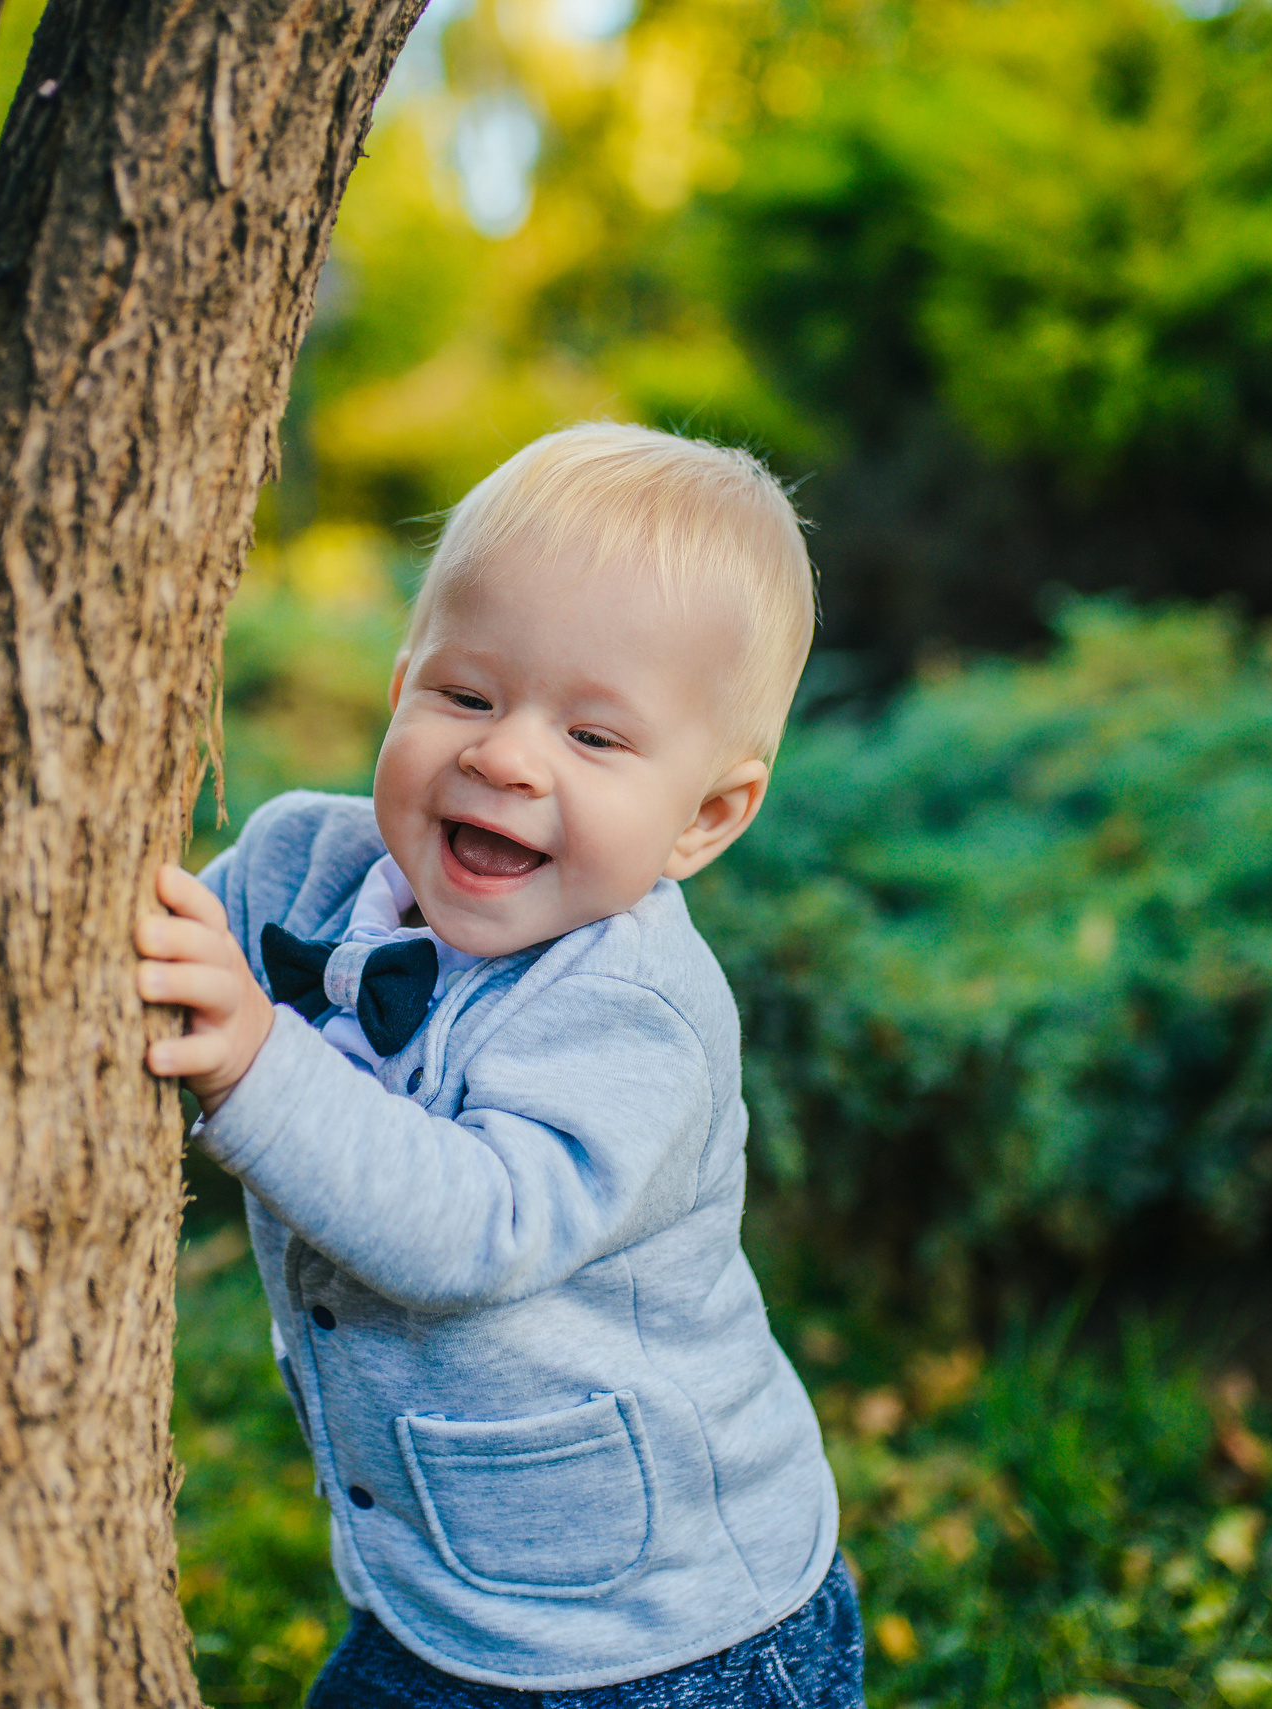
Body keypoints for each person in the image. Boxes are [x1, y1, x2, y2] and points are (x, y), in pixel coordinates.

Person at [135, 422, 861, 1706]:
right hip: (445, 1588)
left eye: (594, 737)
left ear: (705, 817)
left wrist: (255, 1062)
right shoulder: (303, 865)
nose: (505, 754)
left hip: (667, 1632)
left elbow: (475, 1225)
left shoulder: (636, 1010)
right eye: (466, 694)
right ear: (403, 682)